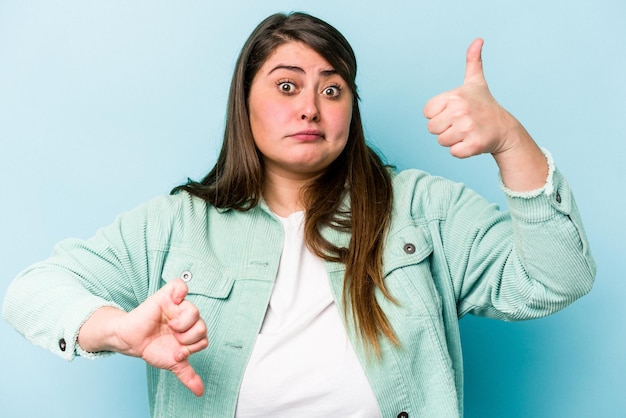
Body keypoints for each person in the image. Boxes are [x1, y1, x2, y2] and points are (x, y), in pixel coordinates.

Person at [3, 11, 595, 418]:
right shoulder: (177, 224)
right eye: (287, 87)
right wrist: (115, 328)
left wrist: (510, 142)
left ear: (350, 110)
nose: (311, 107)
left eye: (332, 89)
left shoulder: (422, 208)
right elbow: (32, 290)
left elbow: (555, 279)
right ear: (246, 102)